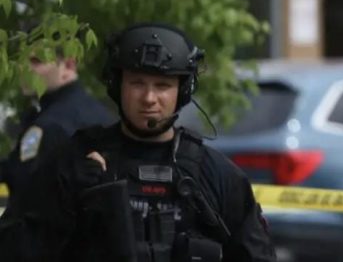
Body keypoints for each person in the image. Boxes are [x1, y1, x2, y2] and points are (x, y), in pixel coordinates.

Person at [0, 22, 276, 261]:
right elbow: (13, 249)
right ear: (117, 85)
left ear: (182, 91)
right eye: (137, 83)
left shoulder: (215, 175)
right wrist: (66, 204)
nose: (149, 98)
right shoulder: (73, 163)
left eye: (162, 86)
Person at [0, 41, 115, 212]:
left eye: (36, 61)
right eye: (21, 60)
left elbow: (25, 188)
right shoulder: (102, 114)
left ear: (68, 65)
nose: (24, 69)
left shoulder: (49, 124)